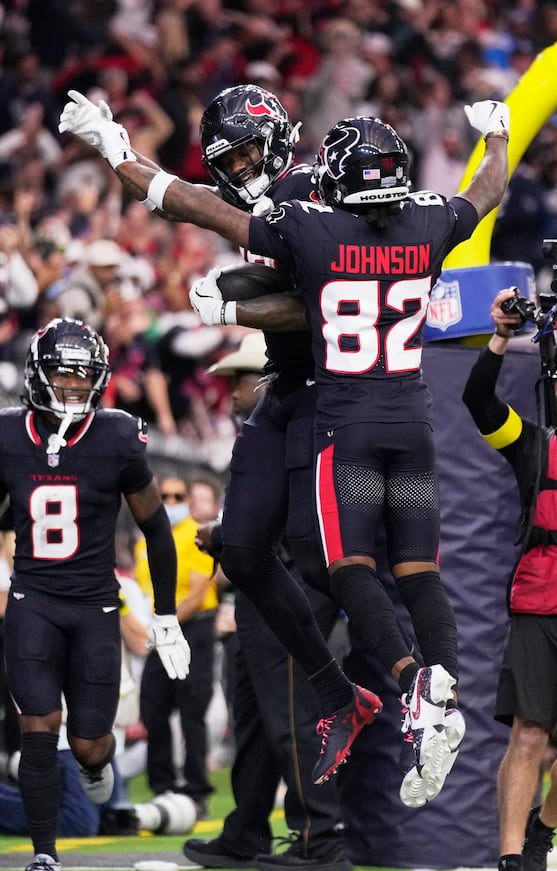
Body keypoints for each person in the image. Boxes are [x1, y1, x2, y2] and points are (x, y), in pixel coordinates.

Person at [58, 88, 508, 807]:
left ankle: (394, 691)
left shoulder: (310, 200)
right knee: (240, 548)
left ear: (284, 142)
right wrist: (111, 143)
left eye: (246, 150)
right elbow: (184, 199)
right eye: (227, 158)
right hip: (332, 400)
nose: (240, 167)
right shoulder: (380, 213)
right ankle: (352, 694)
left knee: (336, 561)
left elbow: (316, 296)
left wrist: (232, 305)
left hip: (330, 401)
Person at [1, 317, 191, 871]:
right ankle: (44, 854)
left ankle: (96, 761)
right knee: (37, 727)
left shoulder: (116, 436)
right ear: (38, 376)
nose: (74, 389)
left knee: (89, 744)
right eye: (63, 376)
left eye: (84, 379)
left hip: (95, 606)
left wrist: (164, 616)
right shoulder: (10, 434)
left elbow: (156, 529)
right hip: (32, 598)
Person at [184, 330, 349, 871]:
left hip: (291, 583)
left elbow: (285, 519)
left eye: (240, 379)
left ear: (270, 378)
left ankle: (318, 839)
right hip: (264, 584)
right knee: (253, 715)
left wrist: (225, 535)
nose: (231, 392)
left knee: (295, 712)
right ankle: (247, 828)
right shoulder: (271, 431)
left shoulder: (296, 428)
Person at [462, 287, 557, 871]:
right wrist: (500, 336)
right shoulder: (530, 443)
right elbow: (478, 401)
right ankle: (514, 857)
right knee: (528, 733)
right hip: (539, 600)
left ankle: (545, 829)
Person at [135, 472, 218, 818]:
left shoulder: (195, 535)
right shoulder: (145, 542)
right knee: (152, 709)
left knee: (191, 713)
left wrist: (164, 625)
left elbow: (198, 593)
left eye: (176, 497)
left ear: (187, 501)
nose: (169, 503)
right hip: (162, 631)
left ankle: (197, 791)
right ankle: (162, 786)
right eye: (164, 496)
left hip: (193, 629)